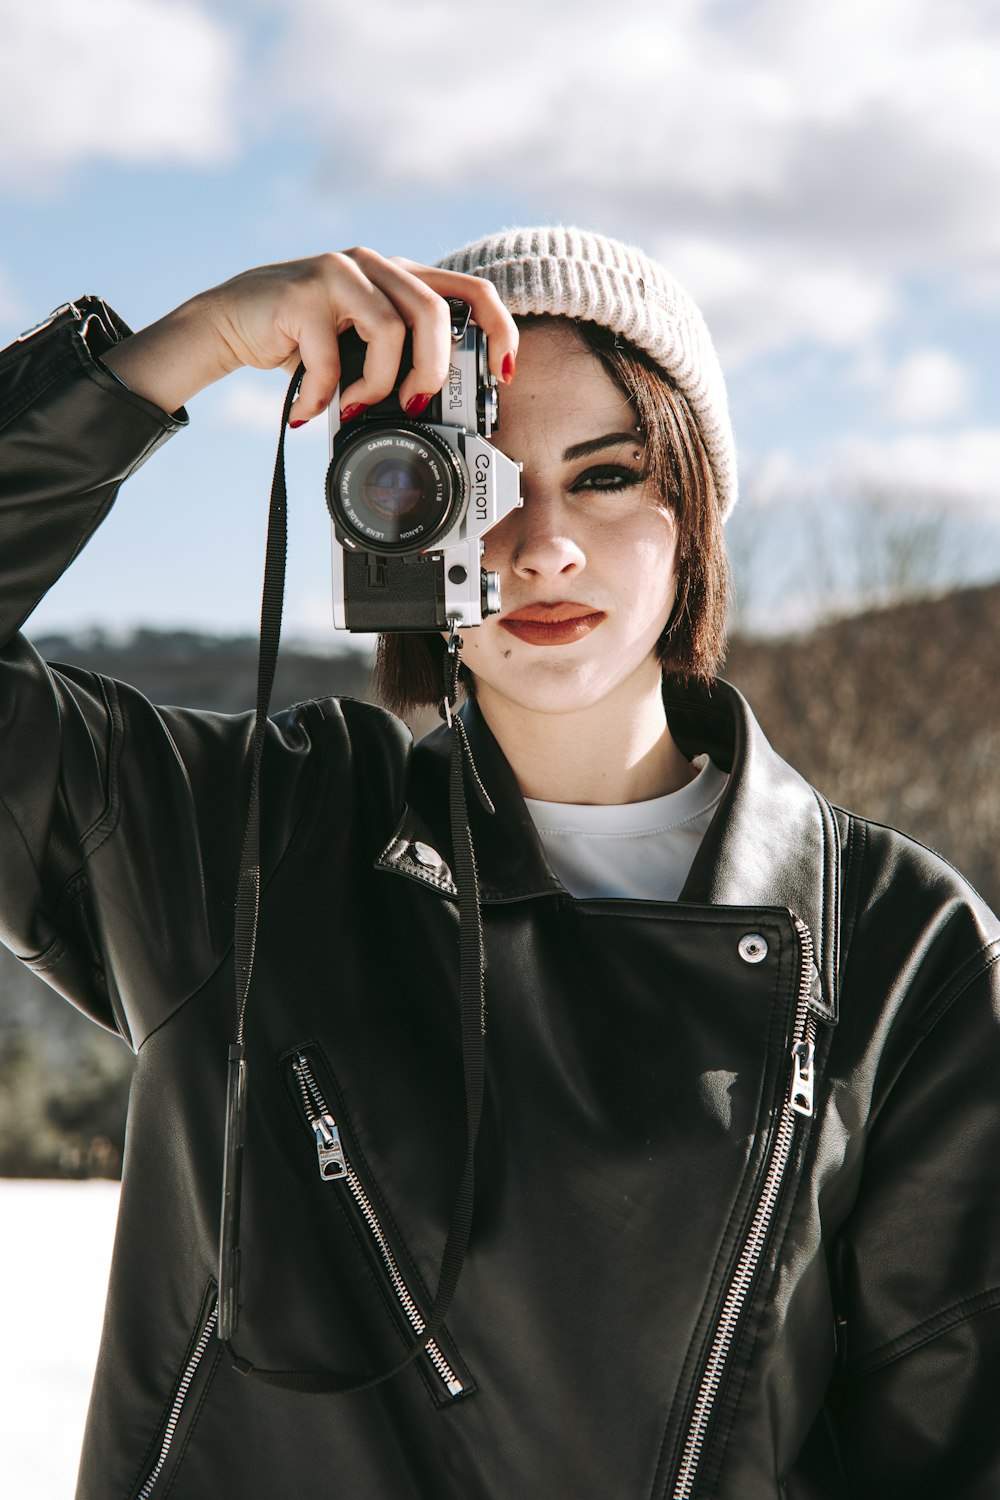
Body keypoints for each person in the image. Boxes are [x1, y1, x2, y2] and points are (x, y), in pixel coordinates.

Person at [1, 228, 998, 1500]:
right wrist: (186, 346)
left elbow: (950, 1445)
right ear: (388, 513)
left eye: (605, 476)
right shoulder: (253, 836)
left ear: (693, 513)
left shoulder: (898, 943)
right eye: (466, 483)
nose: (540, 546)